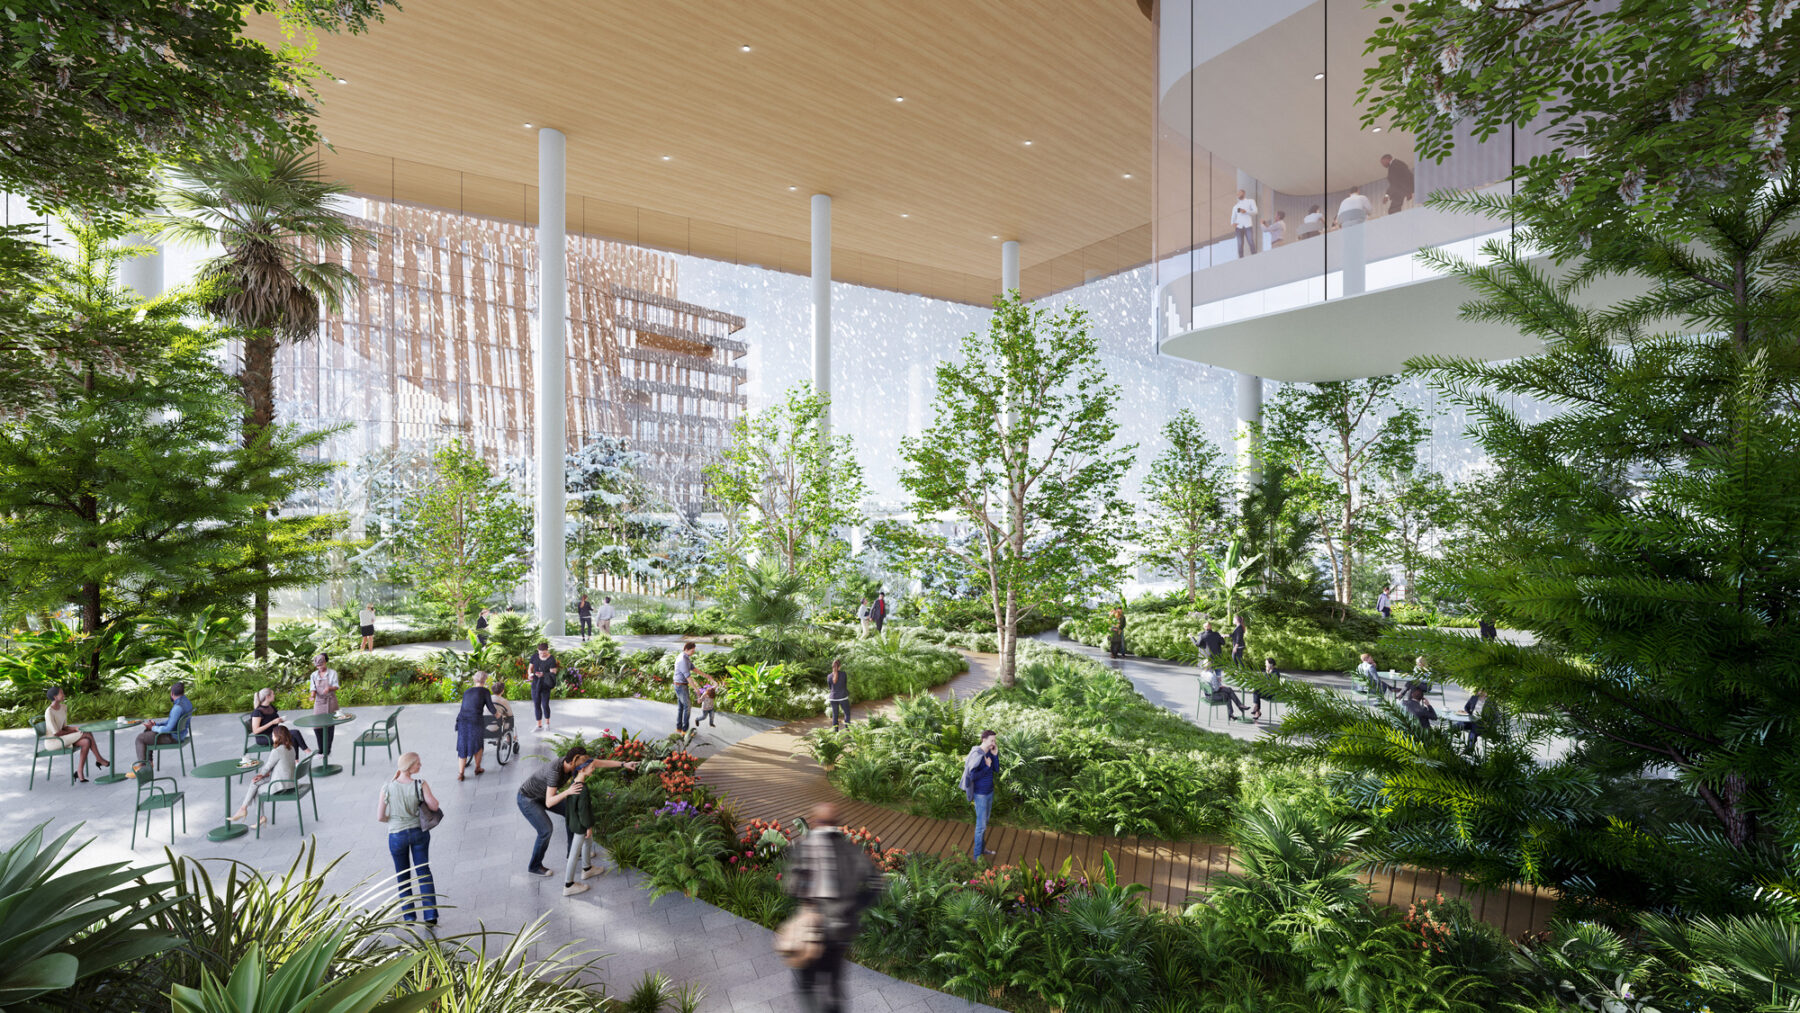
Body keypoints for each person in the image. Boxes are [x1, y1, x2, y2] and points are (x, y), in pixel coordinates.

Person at [784, 801, 887, 1013]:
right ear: (837, 824)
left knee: (806, 982)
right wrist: (857, 903)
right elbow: (876, 882)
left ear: (815, 822)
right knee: (834, 981)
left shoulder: (806, 848)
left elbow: (792, 887)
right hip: (842, 930)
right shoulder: (851, 850)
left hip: (812, 930)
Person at [516, 746, 636, 879]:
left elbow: (597, 762)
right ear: (575, 764)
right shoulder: (555, 771)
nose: (592, 767)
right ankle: (535, 866)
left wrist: (624, 764)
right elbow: (550, 802)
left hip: (545, 795)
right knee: (546, 830)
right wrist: (568, 792)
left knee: (570, 812)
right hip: (528, 799)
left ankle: (573, 852)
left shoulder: (574, 763)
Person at [378, 751, 441, 925]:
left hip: (396, 835)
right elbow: (434, 805)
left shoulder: (387, 787)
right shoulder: (420, 784)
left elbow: (380, 816)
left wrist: (392, 820)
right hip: (418, 833)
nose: (420, 766)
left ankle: (409, 916)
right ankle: (430, 915)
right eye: (417, 764)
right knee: (423, 872)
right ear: (409, 766)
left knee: (403, 875)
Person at [230, 725, 299, 826]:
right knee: (254, 782)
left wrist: (261, 774)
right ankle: (245, 809)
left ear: (278, 737)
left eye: (273, 735)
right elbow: (283, 765)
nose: (272, 737)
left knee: (256, 789)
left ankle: (251, 813)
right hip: (290, 781)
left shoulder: (277, 751)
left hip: (279, 784)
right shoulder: (291, 748)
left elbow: (267, 766)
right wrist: (263, 775)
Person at [43, 685, 107, 782]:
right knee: (87, 733)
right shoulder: (49, 712)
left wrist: (76, 728)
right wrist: (74, 731)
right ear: (55, 697)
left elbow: (64, 727)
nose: (64, 694)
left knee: (86, 742)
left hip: (63, 737)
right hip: (54, 741)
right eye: (61, 693)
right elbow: (57, 733)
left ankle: (79, 772)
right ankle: (99, 759)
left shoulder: (63, 707)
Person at [130, 682, 193, 776]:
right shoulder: (187, 702)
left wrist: (153, 727)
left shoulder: (177, 708)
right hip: (181, 733)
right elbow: (172, 721)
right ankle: (149, 763)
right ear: (182, 692)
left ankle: (142, 768)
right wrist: (156, 725)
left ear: (172, 693)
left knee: (140, 738)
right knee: (148, 731)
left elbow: (168, 729)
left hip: (174, 737)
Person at [961, 730, 999, 859]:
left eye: (994, 741)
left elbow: (997, 769)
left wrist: (995, 755)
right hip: (981, 794)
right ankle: (977, 856)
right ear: (984, 739)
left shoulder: (989, 752)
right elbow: (972, 776)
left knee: (984, 823)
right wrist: (987, 767)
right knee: (981, 826)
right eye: (991, 741)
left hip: (990, 792)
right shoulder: (977, 754)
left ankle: (982, 849)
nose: (993, 743)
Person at [454, 672, 498, 781]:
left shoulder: (467, 691)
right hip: (475, 720)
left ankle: (461, 773)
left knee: (463, 745)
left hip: (462, 720)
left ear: (474, 680)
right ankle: (477, 768)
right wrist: (499, 716)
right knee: (478, 745)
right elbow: (491, 708)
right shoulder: (485, 691)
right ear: (485, 680)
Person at [309, 654, 340, 757]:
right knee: (317, 727)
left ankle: (327, 750)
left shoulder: (332, 673)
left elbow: (336, 686)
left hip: (330, 701)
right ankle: (321, 749)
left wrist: (329, 688)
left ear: (325, 662)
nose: (319, 667)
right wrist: (312, 696)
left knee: (329, 726)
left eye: (321, 665)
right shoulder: (314, 675)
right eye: (317, 666)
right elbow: (313, 688)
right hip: (319, 702)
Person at [527, 641, 559, 732]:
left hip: (545, 684)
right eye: (541, 653)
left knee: (545, 704)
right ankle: (539, 725)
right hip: (535, 684)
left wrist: (543, 674)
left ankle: (547, 724)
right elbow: (530, 668)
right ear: (538, 651)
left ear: (547, 650)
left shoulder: (551, 659)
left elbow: (553, 672)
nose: (543, 654)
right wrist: (530, 674)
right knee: (536, 704)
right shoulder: (534, 657)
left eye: (544, 653)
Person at [673, 641, 704, 734]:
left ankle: (679, 728)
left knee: (681, 707)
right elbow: (688, 677)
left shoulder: (686, 657)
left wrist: (705, 675)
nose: (693, 652)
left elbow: (693, 668)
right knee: (687, 706)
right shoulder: (683, 659)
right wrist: (696, 689)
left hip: (680, 685)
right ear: (686, 649)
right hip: (681, 685)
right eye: (692, 650)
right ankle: (685, 731)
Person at [1232, 188, 1258, 257]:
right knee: (1239, 244)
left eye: (1239, 193)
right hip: (1239, 227)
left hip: (1248, 226)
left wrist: (1246, 212)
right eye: (1237, 194)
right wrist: (1233, 223)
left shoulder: (1250, 201)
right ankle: (1241, 259)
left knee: (1250, 241)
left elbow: (1255, 211)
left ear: (1243, 193)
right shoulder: (1236, 206)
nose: (1238, 194)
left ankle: (1255, 256)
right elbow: (1233, 217)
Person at [825, 658, 850, 729]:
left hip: (833, 698)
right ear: (840, 666)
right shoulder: (844, 674)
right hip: (843, 697)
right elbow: (845, 684)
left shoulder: (829, 676)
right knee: (847, 713)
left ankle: (835, 732)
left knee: (835, 715)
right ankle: (847, 731)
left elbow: (830, 687)